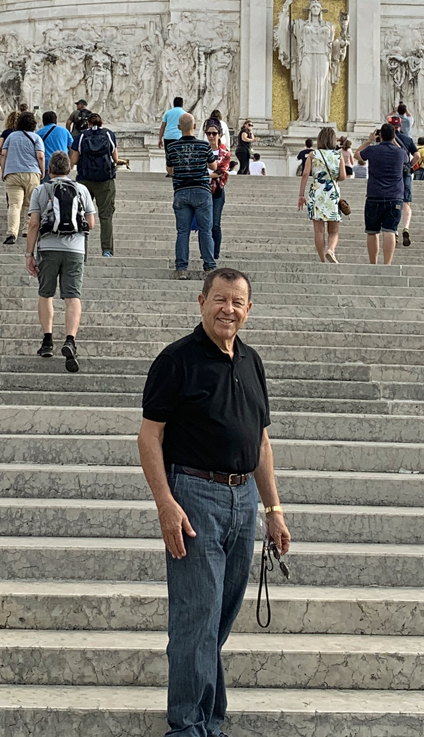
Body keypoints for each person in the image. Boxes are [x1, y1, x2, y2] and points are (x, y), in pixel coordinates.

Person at [138, 267, 290, 737]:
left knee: (219, 616)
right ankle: (188, 725)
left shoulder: (251, 361)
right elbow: (149, 436)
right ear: (202, 302)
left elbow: (260, 441)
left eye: (237, 302)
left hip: (243, 498)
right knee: (196, 617)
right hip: (194, 496)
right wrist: (165, 503)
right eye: (220, 300)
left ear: (249, 309)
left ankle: (210, 719)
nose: (229, 309)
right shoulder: (177, 360)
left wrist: (273, 510)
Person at [26, 151, 96, 372]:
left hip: (48, 248)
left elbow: (33, 224)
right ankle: (70, 340)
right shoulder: (82, 190)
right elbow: (91, 223)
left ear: (49, 170)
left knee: (46, 294)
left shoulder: (41, 190)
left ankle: (47, 341)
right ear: (69, 169)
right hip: (75, 250)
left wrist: (29, 254)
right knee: (72, 297)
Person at [166, 112, 218, 280]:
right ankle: (209, 266)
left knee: (182, 232)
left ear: (179, 127)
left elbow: (169, 170)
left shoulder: (172, 147)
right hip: (201, 190)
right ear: (194, 127)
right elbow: (213, 166)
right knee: (205, 230)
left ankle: (181, 268)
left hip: (181, 191)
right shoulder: (204, 146)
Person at [356, 123, 408, 266]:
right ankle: (387, 264)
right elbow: (406, 157)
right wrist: (394, 140)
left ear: (380, 135)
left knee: (372, 231)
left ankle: (373, 263)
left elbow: (357, 155)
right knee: (390, 231)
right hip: (395, 196)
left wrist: (369, 141)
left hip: (375, 194)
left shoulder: (373, 150)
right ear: (393, 136)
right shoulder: (400, 153)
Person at [71, 113, 119, 258]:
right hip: (105, 180)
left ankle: (78, 247)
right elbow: (115, 158)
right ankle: (107, 250)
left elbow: (74, 160)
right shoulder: (108, 134)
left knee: (80, 214)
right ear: (101, 122)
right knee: (106, 216)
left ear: (88, 123)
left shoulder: (81, 136)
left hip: (85, 180)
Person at [298, 125, 346, 263]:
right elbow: (343, 176)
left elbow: (305, 174)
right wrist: (333, 177)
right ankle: (331, 250)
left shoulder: (313, 154)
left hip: (317, 192)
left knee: (319, 230)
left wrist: (301, 195)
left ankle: (322, 260)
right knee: (334, 230)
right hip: (332, 193)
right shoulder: (338, 155)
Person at [0, 111, 45, 245]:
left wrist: (3, 171)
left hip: (12, 173)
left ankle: (12, 233)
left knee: (14, 204)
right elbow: (40, 156)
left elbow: (3, 154)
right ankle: (26, 230)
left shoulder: (11, 136)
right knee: (30, 204)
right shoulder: (36, 137)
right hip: (31, 172)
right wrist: (42, 171)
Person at [388, 112, 419, 247]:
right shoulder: (407, 139)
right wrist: (410, 166)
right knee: (406, 203)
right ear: (400, 126)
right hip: (405, 172)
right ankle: (406, 227)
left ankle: (394, 230)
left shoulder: (386, 140)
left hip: (392, 173)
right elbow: (417, 156)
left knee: (394, 202)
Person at [205, 122, 230, 261]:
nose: (211, 136)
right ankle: (206, 251)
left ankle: (215, 252)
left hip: (217, 191)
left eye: (214, 133)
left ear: (220, 135)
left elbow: (221, 171)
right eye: (208, 133)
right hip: (204, 190)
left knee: (215, 223)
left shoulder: (225, 153)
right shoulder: (203, 151)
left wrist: (206, 175)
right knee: (205, 224)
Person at [36, 110, 75, 180]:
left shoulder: (38, 133)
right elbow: (72, 147)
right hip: (63, 164)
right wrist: (70, 161)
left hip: (47, 165)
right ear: (56, 120)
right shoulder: (65, 131)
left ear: (43, 121)